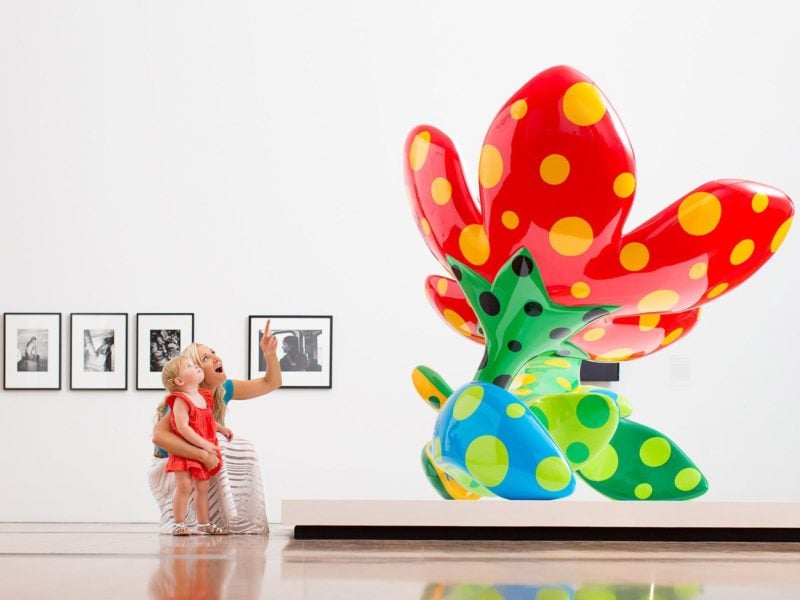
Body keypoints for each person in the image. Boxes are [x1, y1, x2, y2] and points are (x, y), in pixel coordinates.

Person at [149, 319, 281, 534]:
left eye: (213, 353)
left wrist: (269, 355)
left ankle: (230, 518)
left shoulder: (223, 389)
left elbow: (270, 383)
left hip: (199, 463)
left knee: (231, 443)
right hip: (172, 465)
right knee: (221, 444)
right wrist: (204, 455)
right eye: (205, 358)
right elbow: (160, 438)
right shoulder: (182, 400)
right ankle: (185, 522)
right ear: (194, 372)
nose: (216, 358)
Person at [159, 355, 233, 535]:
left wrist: (220, 428)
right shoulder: (180, 400)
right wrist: (204, 445)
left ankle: (204, 523)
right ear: (179, 380)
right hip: (186, 450)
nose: (197, 367)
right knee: (184, 486)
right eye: (190, 366)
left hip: (202, 448)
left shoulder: (203, 396)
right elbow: (183, 428)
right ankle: (179, 523)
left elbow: (206, 420)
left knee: (203, 487)